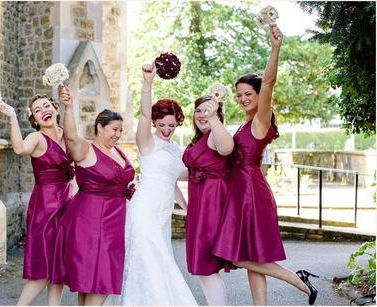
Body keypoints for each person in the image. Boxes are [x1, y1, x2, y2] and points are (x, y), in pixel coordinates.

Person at [212, 25, 319, 306]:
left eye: (248, 93)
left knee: (237, 255)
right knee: (253, 258)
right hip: (240, 191)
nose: (243, 98)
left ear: (259, 95)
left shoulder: (261, 120)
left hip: (250, 193)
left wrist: (275, 49)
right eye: (239, 95)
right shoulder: (245, 124)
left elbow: (269, 83)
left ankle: (298, 281)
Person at [106, 64, 197, 305]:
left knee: (161, 258)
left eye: (172, 125)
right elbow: (144, 114)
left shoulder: (175, 148)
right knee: (148, 256)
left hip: (163, 212)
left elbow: (174, 182)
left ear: (177, 123)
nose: (166, 129)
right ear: (155, 122)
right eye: (162, 124)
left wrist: (188, 209)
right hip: (144, 209)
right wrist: (148, 83)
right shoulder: (147, 142)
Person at [53, 86, 135, 306]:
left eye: (120, 130)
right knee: (100, 279)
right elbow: (70, 136)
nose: (118, 135)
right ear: (100, 127)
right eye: (114, 130)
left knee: (92, 282)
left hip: (114, 221)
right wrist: (68, 107)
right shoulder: (86, 150)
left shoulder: (119, 152)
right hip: (90, 221)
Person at [0, 95, 74, 305]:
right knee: (44, 267)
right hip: (45, 208)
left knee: (59, 265)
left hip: (67, 203)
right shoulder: (37, 138)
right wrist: (13, 117)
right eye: (38, 110)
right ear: (35, 119)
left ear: (55, 109)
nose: (44, 111)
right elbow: (20, 149)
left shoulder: (68, 134)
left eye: (47, 106)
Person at [182, 92, 234, 305]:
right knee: (207, 270)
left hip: (212, 206)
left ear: (217, 114)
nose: (202, 115)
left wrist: (214, 118)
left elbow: (227, 148)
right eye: (199, 111)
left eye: (208, 111)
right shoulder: (198, 140)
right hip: (198, 206)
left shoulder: (216, 135)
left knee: (206, 267)